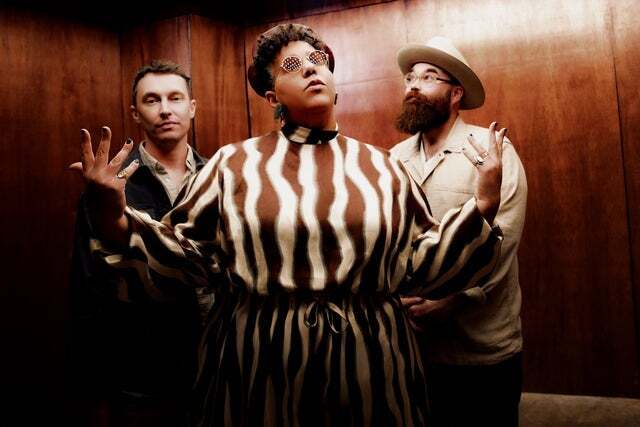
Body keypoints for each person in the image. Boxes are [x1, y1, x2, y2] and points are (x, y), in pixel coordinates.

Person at [70, 24, 506, 426]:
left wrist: (483, 204)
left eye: (318, 60)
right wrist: (115, 218)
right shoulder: (232, 165)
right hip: (259, 364)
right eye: (293, 66)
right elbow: (186, 256)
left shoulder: (384, 167)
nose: (311, 69)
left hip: (370, 364)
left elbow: (421, 262)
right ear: (271, 95)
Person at [391, 36, 527, 426]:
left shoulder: (491, 149)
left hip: (482, 350)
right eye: (410, 78)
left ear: (455, 94)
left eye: (428, 77)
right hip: (415, 348)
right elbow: (394, 243)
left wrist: (455, 301)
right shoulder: (394, 159)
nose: (413, 85)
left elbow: (504, 239)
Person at [69, 60, 210, 426]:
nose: (165, 109)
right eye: (152, 99)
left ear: (192, 107)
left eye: (175, 98)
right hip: (140, 376)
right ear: (135, 112)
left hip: (216, 370)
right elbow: (87, 287)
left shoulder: (218, 177)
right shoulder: (109, 184)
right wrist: (95, 393)